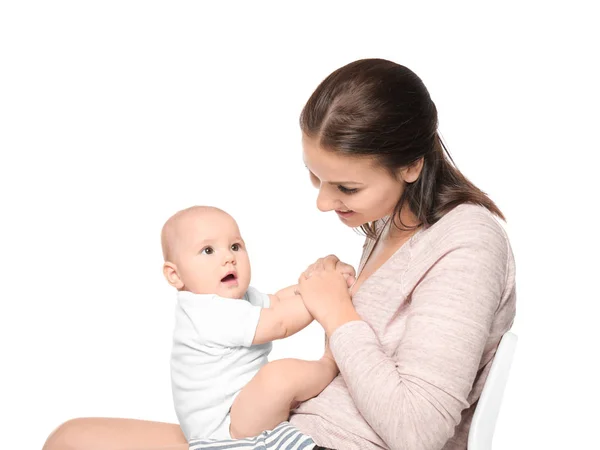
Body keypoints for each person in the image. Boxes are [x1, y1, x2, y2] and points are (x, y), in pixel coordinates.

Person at [42, 58, 516, 450]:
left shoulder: (468, 241)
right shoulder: (390, 224)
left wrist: (336, 312)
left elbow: (419, 432)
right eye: (317, 178)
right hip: (286, 433)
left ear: (412, 165)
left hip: (322, 444)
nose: (323, 203)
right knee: (71, 439)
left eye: (346, 186)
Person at [161, 205, 346, 443]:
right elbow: (279, 323)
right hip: (225, 430)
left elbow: (278, 301)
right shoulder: (207, 313)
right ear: (175, 275)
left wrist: (318, 281)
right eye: (208, 250)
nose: (229, 258)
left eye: (235, 246)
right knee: (278, 377)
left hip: (243, 408)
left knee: (273, 380)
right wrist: (326, 295)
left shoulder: (234, 298)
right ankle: (329, 365)